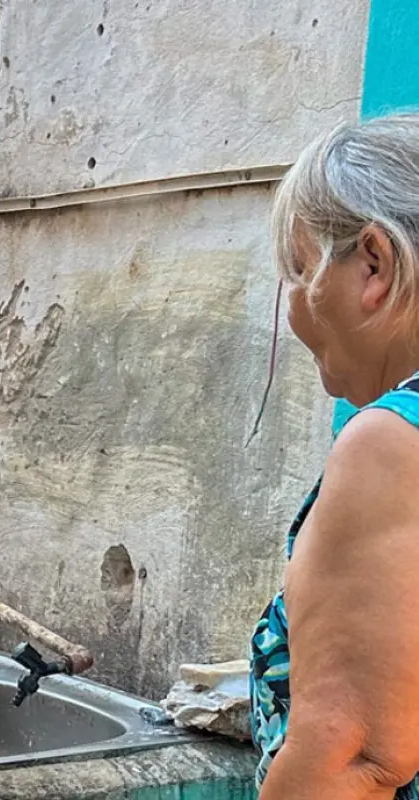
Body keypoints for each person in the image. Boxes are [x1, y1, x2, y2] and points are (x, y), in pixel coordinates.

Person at [251, 113, 419, 799]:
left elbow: (352, 760)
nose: (290, 305)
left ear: (372, 264)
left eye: (297, 270)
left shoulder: (391, 445)